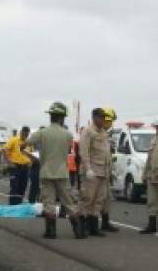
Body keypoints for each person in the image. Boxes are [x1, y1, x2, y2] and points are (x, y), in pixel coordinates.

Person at [26, 102, 84, 239]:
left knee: (49, 203)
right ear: (62, 118)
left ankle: (51, 231)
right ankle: (78, 231)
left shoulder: (42, 133)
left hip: (46, 172)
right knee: (69, 202)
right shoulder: (68, 135)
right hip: (62, 173)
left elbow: (26, 143)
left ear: (51, 116)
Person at [78, 108, 112, 237]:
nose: (104, 120)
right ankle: (81, 225)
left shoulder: (104, 133)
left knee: (99, 200)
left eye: (104, 118)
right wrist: (87, 169)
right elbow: (84, 152)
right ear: (95, 118)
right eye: (101, 117)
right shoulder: (88, 132)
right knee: (87, 199)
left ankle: (93, 227)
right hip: (92, 171)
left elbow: (106, 153)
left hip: (104, 171)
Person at [99, 107, 119, 232]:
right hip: (95, 172)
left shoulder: (105, 134)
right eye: (110, 121)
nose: (111, 124)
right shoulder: (95, 133)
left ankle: (105, 222)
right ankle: (88, 224)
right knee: (93, 199)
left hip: (105, 171)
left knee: (106, 199)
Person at [3, 127, 31, 205]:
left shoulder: (28, 143)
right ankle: (12, 205)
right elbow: (4, 150)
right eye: (23, 133)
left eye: (26, 134)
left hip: (25, 167)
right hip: (15, 167)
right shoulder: (14, 140)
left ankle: (19, 204)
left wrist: (30, 163)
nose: (24, 135)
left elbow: (30, 154)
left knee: (23, 186)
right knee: (14, 186)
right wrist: (9, 163)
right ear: (21, 132)